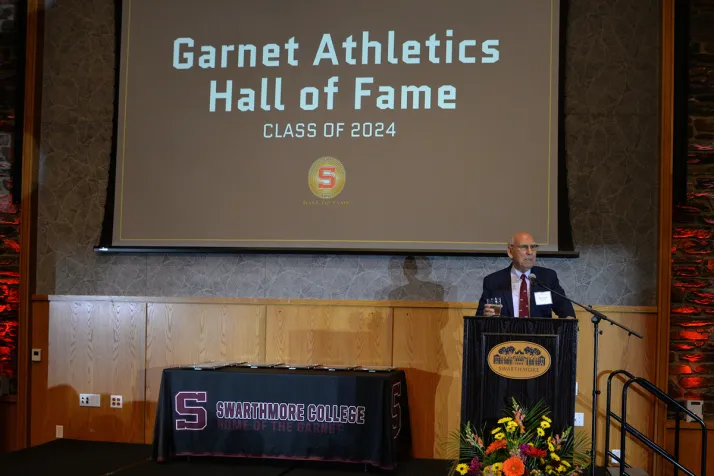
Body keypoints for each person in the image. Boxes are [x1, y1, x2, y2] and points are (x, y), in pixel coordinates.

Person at [476, 232, 575, 318]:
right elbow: (479, 318)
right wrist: (486, 316)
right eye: (524, 247)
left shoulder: (547, 277)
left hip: (540, 338)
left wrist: (569, 318)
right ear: (510, 252)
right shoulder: (493, 281)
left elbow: (564, 306)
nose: (530, 252)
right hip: (506, 338)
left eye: (533, 247)